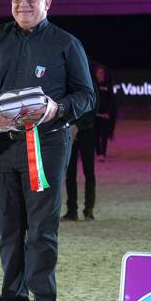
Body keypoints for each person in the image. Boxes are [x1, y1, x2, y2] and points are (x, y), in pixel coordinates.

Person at [0, 0, 94, 301]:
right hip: (4, 148)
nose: (23, 5)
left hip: (48, 147)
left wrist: (57, 109)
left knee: (41, 229)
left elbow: (86, 97)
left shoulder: (66, 44)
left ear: (47, 2)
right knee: (9, 229)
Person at [63, 76, 99, 221]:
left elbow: (94, 106)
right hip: (70, 131)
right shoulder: (67, 82)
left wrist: (78, 125)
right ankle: (72, 210)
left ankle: (89, 209)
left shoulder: (90, 82)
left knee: (89, 172)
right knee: (70, 172)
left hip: (87, 132)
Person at [94, 64, 116, 160]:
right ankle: (98, 152)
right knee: (96, 135)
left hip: (105, 115)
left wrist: (109, 112)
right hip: (95, 115)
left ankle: (103, 154)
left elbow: (111, 100)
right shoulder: (93, 85)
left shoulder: (108, 85)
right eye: (99, 73)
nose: (100, 74)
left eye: (102, 73)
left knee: (104, 135)